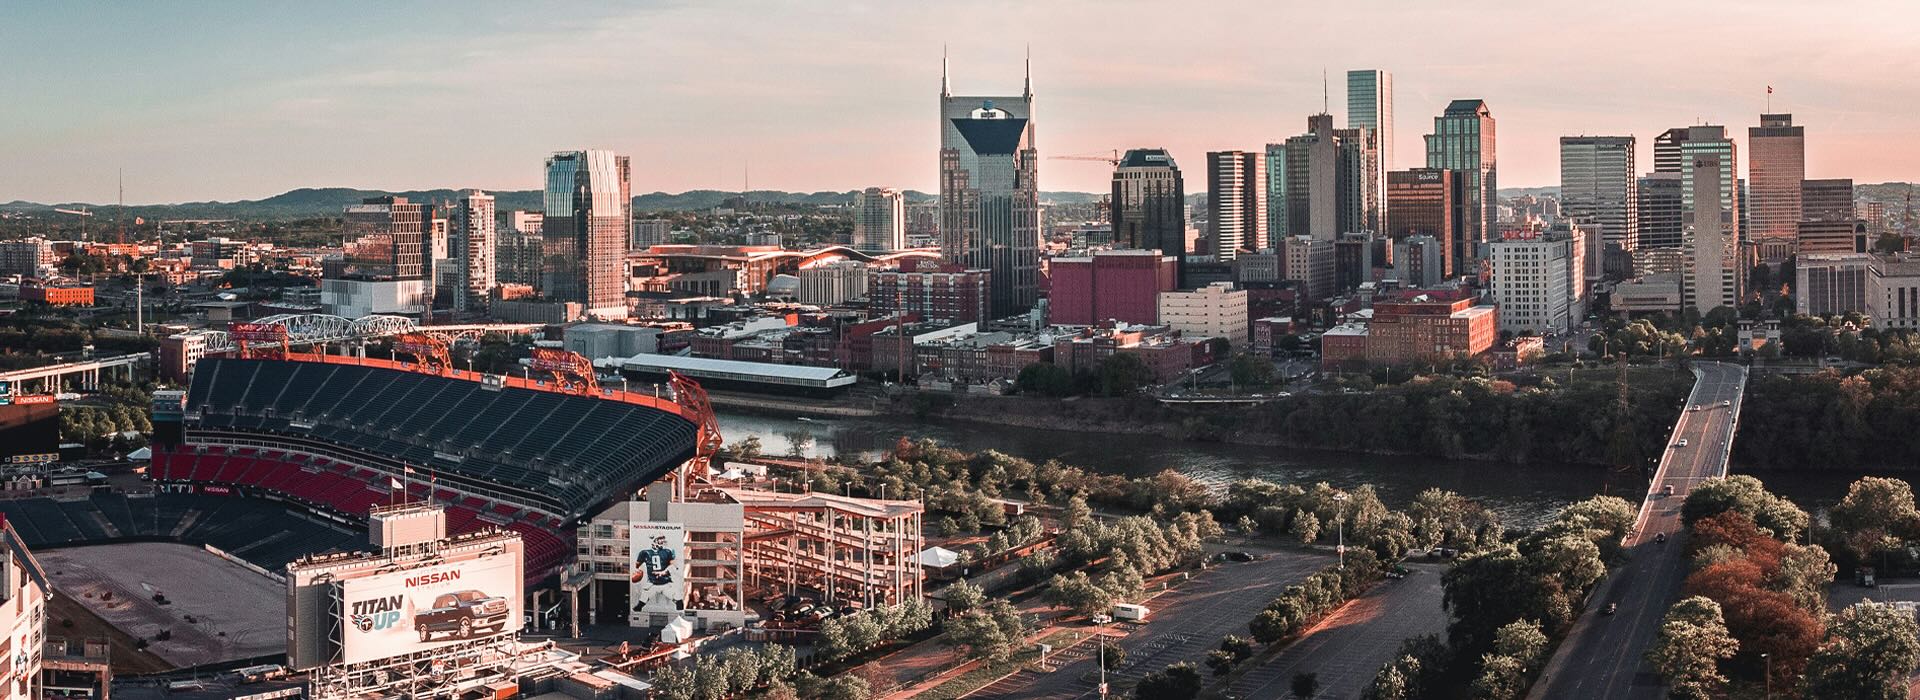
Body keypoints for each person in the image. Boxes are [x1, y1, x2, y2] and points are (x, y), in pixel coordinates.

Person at [631, 533, 681, 612]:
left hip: (666, 583)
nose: (662, 541)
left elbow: (675, 566)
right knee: (639, 606)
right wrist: (638, 572)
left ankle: (680, 616)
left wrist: (664, 572)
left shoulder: (668, 551)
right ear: (653, 540)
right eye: (660, 539)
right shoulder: (644, 552)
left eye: (662, 539)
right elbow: (637, 566)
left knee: (679, 602)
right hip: (652, 584)